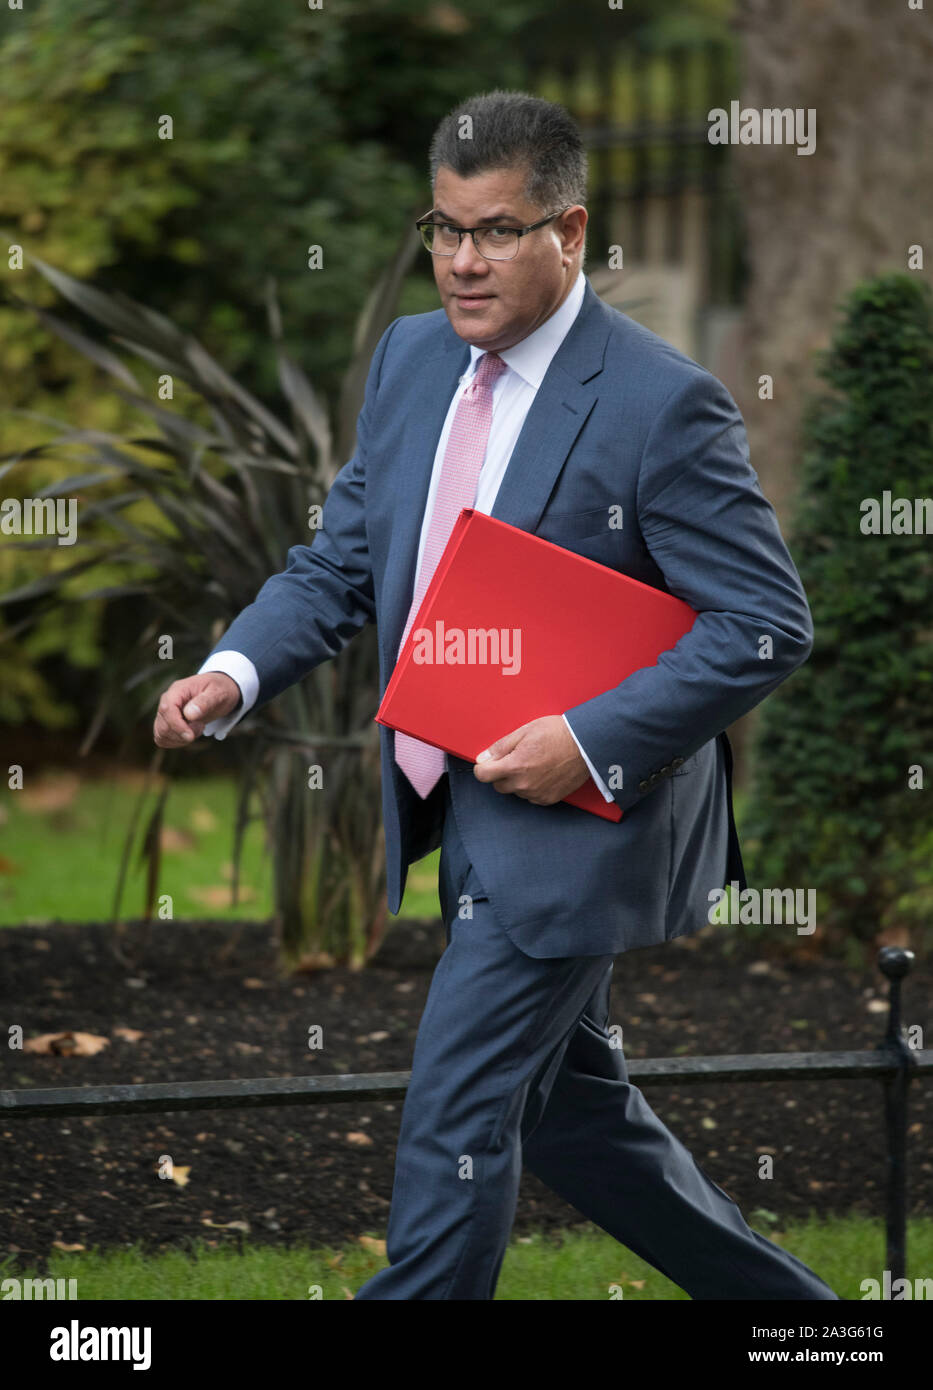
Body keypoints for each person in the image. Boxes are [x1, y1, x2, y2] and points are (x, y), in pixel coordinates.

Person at [153, 90, 839, 1301]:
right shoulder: (415, 358)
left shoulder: (659, 404)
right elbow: (349, 555)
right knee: (581, 1128)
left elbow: (767, 623)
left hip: (575, 835)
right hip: (452, 809)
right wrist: (235, 668)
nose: (463, 262)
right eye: (446, 228)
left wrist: (586, 739)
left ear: (570, 234)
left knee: (450, 1131)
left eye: (499, 231)